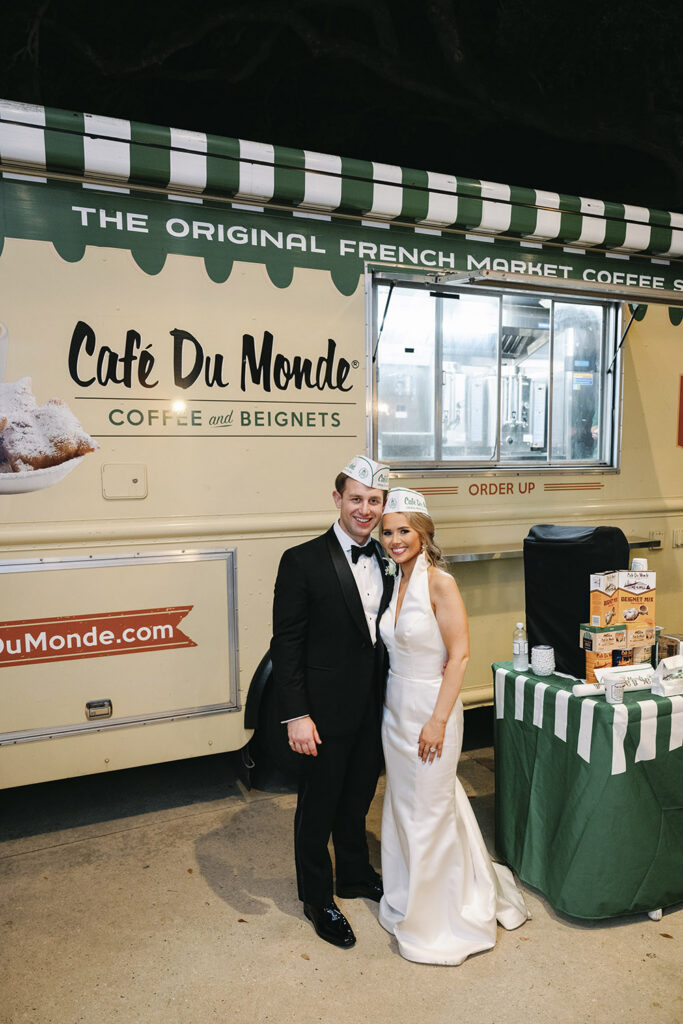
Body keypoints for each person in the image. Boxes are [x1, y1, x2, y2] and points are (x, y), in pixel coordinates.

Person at [377, 487, 528, 965]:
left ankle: (440, 918)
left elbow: (460, 655)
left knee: (431, 808)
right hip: (394, 709)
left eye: (404, 531)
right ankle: (409, 895)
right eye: (388, 531)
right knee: (406, 807)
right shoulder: (393, 580)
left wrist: (438, 721)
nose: (395, 539)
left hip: (430, 709)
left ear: (423, 533)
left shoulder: (439, 582)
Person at [270, 455, 395, 948]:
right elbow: (287, 645)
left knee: (360, 795)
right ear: (337, 499)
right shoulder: (301, 560)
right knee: (317, 806)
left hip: (374, 706)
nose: (365, 510)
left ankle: (355, 875)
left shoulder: (389, 554)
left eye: (374, 501)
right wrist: (296, 714)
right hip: (321, 713)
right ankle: (317, 897)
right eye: (356, 499)